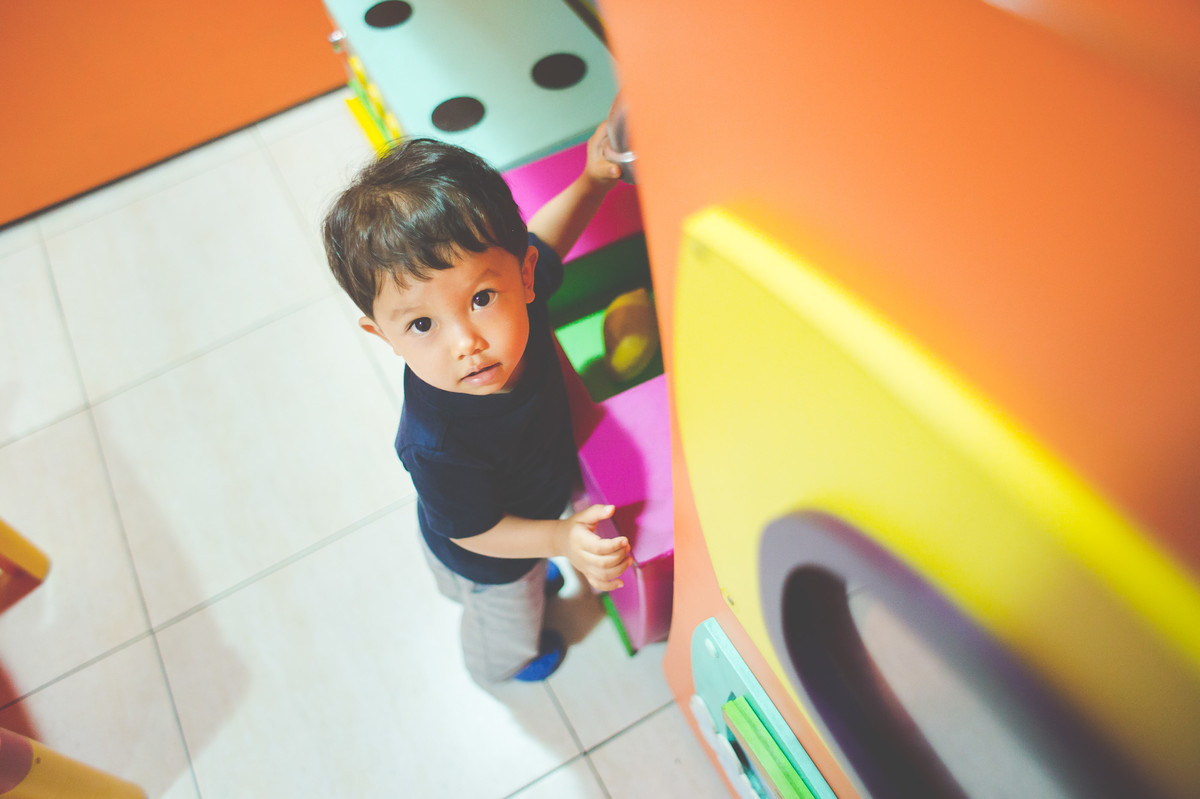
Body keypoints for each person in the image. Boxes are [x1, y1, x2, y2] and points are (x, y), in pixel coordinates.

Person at [321, 124, 633, 685]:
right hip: (490, 556)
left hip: (516, 518)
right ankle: (499, 663)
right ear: (383, 336)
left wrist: (591, 182)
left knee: (513, 575)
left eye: (481, 298)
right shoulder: (435, 441)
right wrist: (558, 540)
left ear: (524, 276)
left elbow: (550, 240)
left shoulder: (523, 305)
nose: (466, 342)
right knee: (507, 621)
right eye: (421, 324)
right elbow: (474, 530)